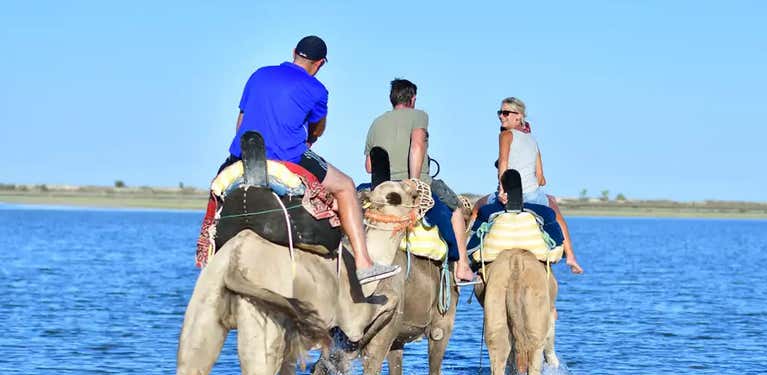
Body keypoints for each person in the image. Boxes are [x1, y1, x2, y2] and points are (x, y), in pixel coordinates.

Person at [219, 36, 400, 285]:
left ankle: (210, 253)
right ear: (321, 63)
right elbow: (316, 130)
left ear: (294, 52)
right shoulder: (317, 90)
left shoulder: (258, 74)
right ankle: (364, 264)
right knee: (346, 186)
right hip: (288, 154)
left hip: (243, 153)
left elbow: (241, 122)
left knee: (218, 189)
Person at [364, 79, 474, 282]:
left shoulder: (376, 123)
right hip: (416, 181)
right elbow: (417, 145)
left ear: (392, 99)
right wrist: (414, 181)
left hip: (381, 185)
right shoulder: (419, 115)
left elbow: (369, 166)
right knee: (455, 208)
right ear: (412, 99)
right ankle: (463, 267)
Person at [476, 97, 583, 274]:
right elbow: (541, 179)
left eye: (505, 113)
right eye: (499, 113)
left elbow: (503, 163)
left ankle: (464, 262)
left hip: (511, 195)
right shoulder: (533, 140)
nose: (501, 117)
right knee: (555, 211)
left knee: (476, 208)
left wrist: (503, 190)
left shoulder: (505, 135)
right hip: (534, 195)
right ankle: (570, 256)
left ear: (518, 116)